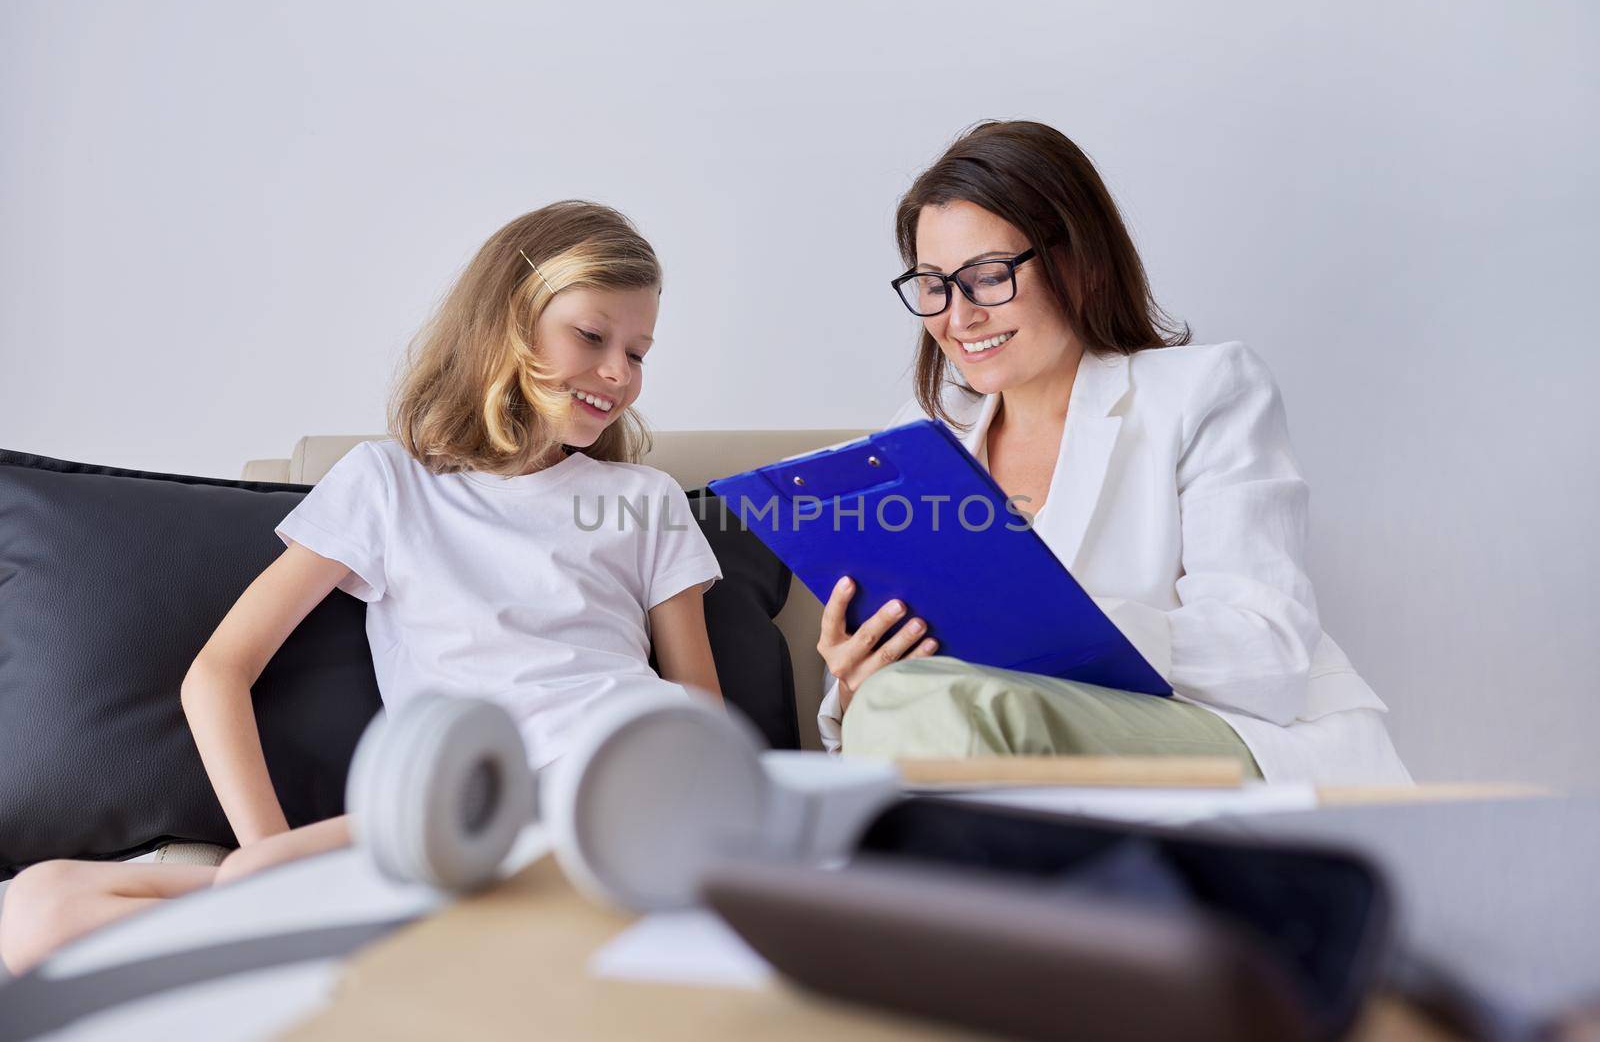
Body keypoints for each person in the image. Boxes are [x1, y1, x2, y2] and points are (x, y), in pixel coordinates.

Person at [0, 201, 723, 974]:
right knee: (40, 909)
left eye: (639, 351)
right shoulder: (388, 486)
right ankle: (381, 936)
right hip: (462, 803)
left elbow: (705, 714)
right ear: (511, 321)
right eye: (592, 335)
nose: (619, 372)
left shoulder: (641, 498)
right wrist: (271, 854)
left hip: (624, 777)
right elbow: (218, 674)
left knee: (252, 882)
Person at [816, 121, 1409, 786]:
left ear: (1081, 262)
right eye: (933, 285)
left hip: (1216, 738)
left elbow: (1266, 651)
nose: (958, 317)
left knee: (953, 705)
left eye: (986, 276)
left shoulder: (1205, 391)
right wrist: (858, 672)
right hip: (983, 736)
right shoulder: (922, 433)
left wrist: (1048, 626)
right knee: (906, 702)